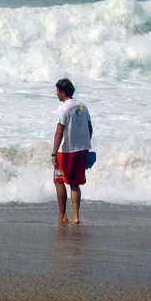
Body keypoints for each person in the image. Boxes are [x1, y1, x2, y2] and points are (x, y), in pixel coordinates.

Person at [51, 78, 93, 224]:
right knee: (75, 183)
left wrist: (54, 153)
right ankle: (76, 216)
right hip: (81, 150)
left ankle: (63, 216)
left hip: (66, 152)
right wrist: (86, 144)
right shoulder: (82, 106)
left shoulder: (63, 108)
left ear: (62, 92)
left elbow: (59, 132)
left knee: (59, 180)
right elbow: (90, 128)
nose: (56, 94)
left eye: (57, 91)